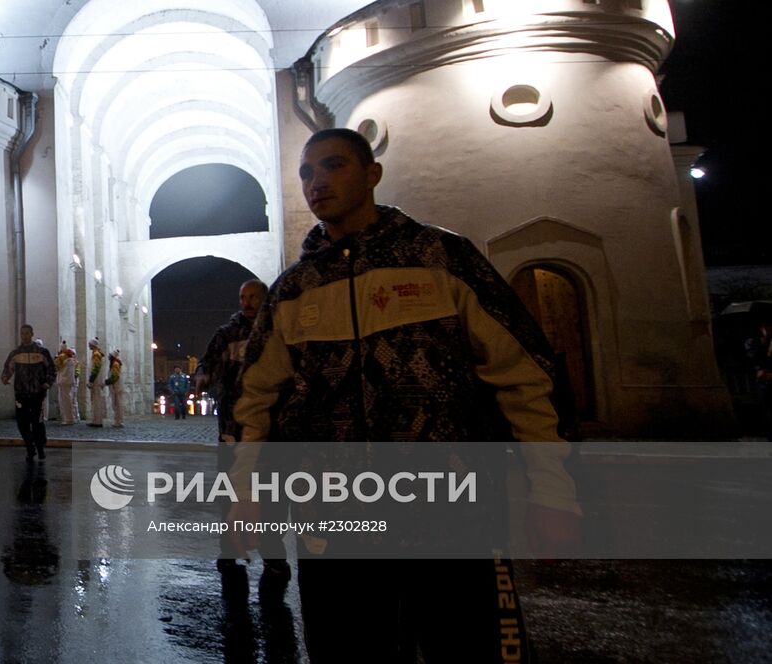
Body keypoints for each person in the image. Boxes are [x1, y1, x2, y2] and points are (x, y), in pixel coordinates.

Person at [234, 129, 580, 660]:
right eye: (306, 172)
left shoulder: (441, 259)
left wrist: (551, 489)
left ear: (372, 174)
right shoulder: (294, 290)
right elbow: (254, 401)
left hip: (451, 513)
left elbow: (524, 375)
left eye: (333, 166)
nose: (317, 181)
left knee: (467, 648)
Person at [197, 278, 290, 598]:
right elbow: (206, 362)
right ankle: (228, 550)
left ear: (264, 299)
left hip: (273, 430)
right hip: (232, 426)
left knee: (273, 496)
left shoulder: (276, 329)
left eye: (252, 297)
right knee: (229, 490)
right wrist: (203, 376)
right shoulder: (226, 334)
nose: (246, 302)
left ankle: (273, 556)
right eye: (242, 296)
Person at [1, 324, 56, 460]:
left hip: (37, 393)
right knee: (22, 422)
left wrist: (47, 383)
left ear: (32, 334)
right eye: (22, 333)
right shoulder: (16, 353)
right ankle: (29, 447)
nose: (24, 336)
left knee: (37, 422)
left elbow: (51, 369)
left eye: (27, 333)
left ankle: (40, 446)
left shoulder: (42, 352)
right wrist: (5, 377)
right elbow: (8, 367)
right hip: (21, 393)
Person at [54, 340, 78, 425]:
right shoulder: (71, 357)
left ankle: (68, 419)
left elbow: (56, 366)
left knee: (64, 401)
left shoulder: (62, 356)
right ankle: (70, 417)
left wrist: (56, 357)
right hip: (70, 381)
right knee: (69, 400)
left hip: (63, 381)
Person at [86, 338, 105, 427]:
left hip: (96, 381)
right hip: (95, 380)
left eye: (90, 344)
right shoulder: (95, 354)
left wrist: (91, 380)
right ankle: (95, 419)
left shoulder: (97, 355)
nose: (88, 345)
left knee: (96, 400)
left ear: (93, 345)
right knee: (94, 400)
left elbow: (96, 368)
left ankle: (97, 421)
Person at [106, 348, 124, 428]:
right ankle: (118, 420)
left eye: (110, 356)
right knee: (117, 404)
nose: (109, 357)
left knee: (117, 404)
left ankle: (118, 421)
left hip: (116, 387)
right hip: (116, 387)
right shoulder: (114, 363)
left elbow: (115, 376)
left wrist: (106, 382)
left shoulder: (115, 364)